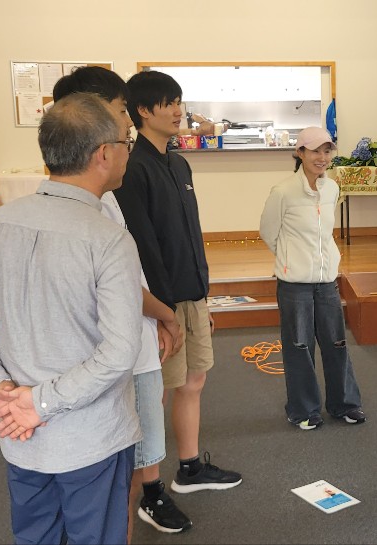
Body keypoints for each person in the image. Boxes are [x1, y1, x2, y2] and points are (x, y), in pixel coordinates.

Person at [0, 93, 143, 544]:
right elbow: (120, 352)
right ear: (103, 153)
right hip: (90, 437)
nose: (129, 151)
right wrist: (38, 403)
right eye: (126, 141)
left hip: (20, 434)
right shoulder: (107, 239)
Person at [50, 66, 192, 536]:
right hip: (114, 354)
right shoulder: (92, 206)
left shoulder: (104, 195)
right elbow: (123, 282)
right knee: (116, 476)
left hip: (128, 339)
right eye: (120, 112)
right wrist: (166, 314)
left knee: (117, 474)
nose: (127, 122)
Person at [113, 70, 243, 496]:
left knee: (193, 381)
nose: (177, 110)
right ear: (142, 111)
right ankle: (148, 488)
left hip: (191, 293)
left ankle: (189, 467)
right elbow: (144, 246)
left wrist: (202, 295)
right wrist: (163, 312)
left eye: (178, 101)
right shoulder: (133, 168)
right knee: (154, 392)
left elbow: (189, 233)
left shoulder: (179, 162)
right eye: (167, 103)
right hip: (160, 302)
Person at [258, 126, 365, 430]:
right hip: (295, 285)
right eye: (315, 150)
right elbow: (268, 232)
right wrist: (291, 259)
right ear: (300, 153)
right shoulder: (282, 192)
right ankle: (303, 410)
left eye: (327, 151)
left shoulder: (331, 189)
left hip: (327, 282)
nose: (322, 157)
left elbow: (325, 233)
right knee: (299, 347)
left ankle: (345, 404)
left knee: (337, 344)